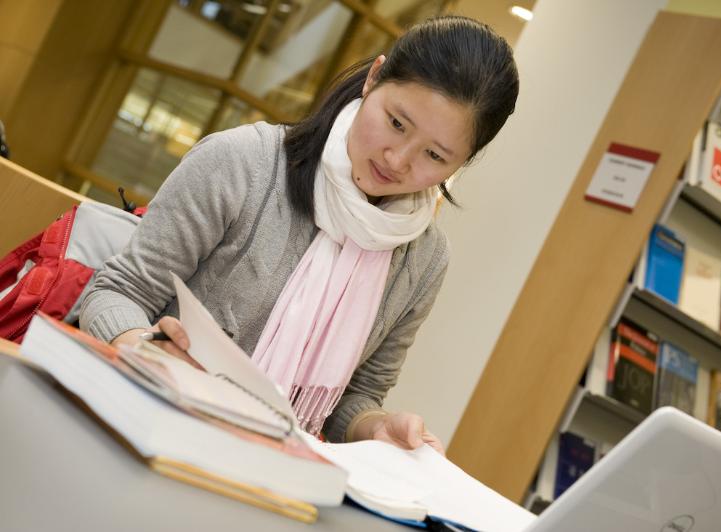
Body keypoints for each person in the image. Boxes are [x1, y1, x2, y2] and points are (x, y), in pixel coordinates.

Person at [80, 15, 519, 454]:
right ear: (373, 79)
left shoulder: (424, 259)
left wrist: (378, 428)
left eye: (434, 155)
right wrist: (145, 350)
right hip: (147, 427)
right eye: (397, 123)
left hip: (269, 474)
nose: (398, 159)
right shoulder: (241, 164)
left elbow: (356, 397)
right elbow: (117, 291)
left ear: (461, 162)